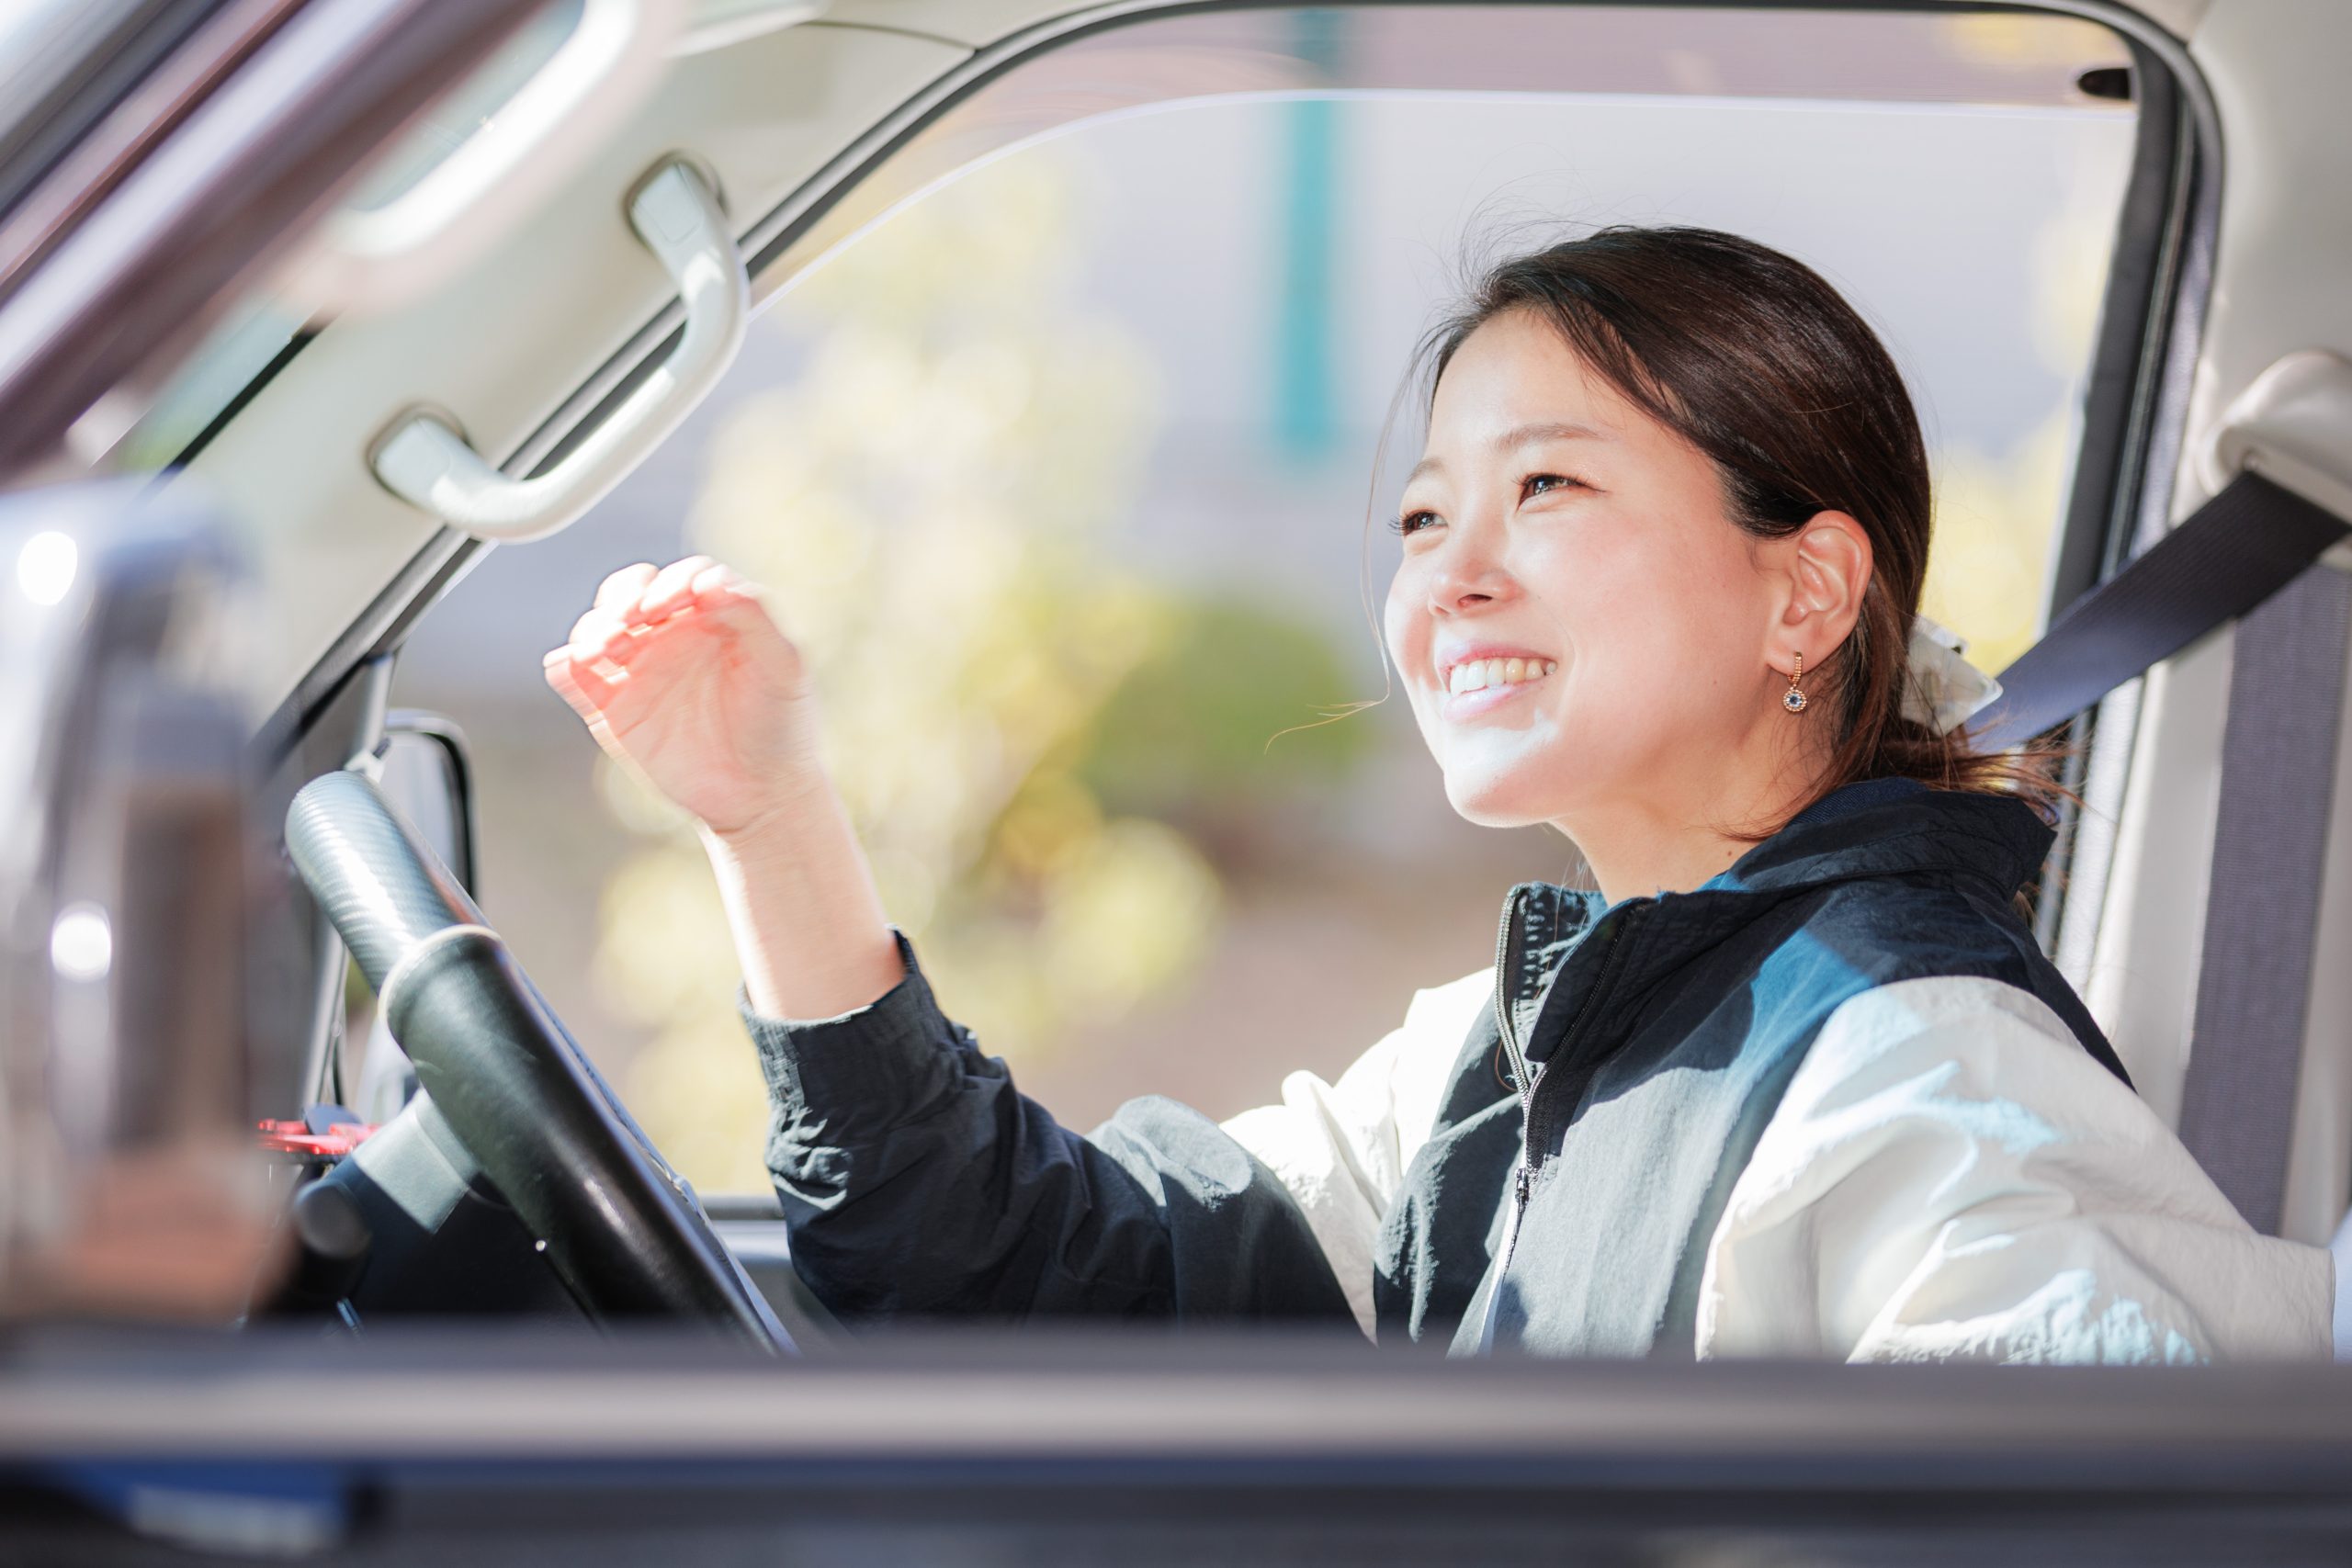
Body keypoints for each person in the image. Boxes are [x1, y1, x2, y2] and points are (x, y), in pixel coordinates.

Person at [545, 226, 2330, 1360]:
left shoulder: (1913, 1084)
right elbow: (1009, 1279)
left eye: (1543, 488)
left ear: (1800, 589)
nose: (1446, 574)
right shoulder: (1516, 1049)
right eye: (1418, 515)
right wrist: (767, 817)